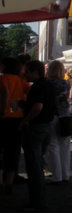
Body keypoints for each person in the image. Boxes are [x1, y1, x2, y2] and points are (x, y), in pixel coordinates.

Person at [20, 61, 57, 211]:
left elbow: (38, 107)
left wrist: (25, 120)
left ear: (35, 71)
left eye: (27, 71)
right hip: (47, 126)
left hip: (37, 126)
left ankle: (37, 201)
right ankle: (39, 198)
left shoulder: (38, 86)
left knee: (33, 164)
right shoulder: (49, 85)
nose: (25, 75)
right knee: (38, 162)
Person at [0, 57, 29, 194]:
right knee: (13, 150)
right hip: (17, 117)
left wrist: (3, 110)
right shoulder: (21, 80)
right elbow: (28, 93)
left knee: (2, 150)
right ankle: (9, 181)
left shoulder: (3, 79)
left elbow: (5, 93)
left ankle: (2, 180)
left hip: (4, 117)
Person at [46, 60, 72, 184]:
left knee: (53, 145)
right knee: (65, 146)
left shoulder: (48, 83)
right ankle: (65, 174)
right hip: (65, 115)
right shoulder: (65, 83)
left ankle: (57, 176)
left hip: (52, 115)